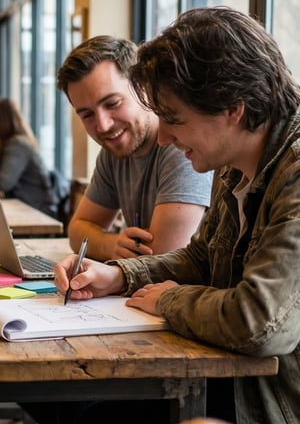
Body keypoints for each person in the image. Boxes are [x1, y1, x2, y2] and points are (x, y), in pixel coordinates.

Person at [56, 6, 300, 424]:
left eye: (173, 119)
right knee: (81, 417)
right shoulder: (236, 161)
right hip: (267, 391)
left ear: (233, 107)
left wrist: (171, 300)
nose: (164, 138)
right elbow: (202, 256)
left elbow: (261, 322)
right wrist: (118, 275)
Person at [57, 36, 212, 260]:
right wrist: (112, 245)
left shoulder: (181, 146)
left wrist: (99, 243)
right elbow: (76, 231)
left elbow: (161, 257)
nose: (103, 125)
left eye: (112, 104)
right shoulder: (114, 152)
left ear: (143, 89)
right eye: (87, 114)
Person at [0, 97, 58, 218]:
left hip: (36, 213)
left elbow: (4, 183)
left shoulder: (17, 145)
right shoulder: (1, 145)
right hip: (20, 208)